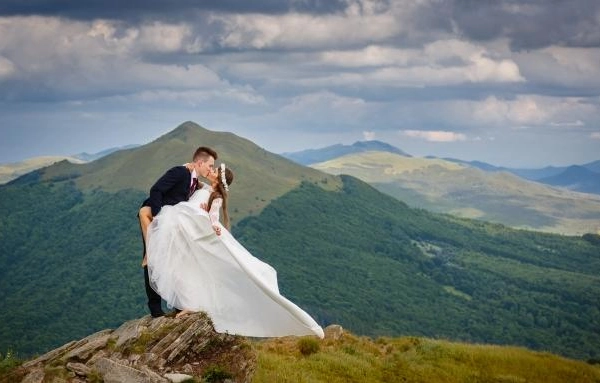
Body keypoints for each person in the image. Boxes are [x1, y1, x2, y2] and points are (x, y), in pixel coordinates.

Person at [146, 163, 324, 339]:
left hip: (193, 228)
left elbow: (214, 216)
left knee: (196, 266)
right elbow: (194, 181)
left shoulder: (216, 195)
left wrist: (214, 225)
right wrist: (188, 167)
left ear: (219, 179)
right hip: (185, 225)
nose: (211, 171)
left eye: (215, 171)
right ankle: (188, 302)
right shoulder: (205, 187)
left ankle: (190, 304)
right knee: (189, 267)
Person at [138, 146, 217, 318]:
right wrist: (158, 216)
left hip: (172, 224)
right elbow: (156, 190)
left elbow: (201, 190)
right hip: (156, 217)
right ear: (199, 162)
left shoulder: (195, 181)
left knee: (173, 261)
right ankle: (155, 310)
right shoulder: (181, 172)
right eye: (210, 166)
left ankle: (178, 303)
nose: (211, 169)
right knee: (152, 259)